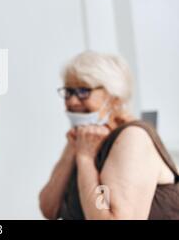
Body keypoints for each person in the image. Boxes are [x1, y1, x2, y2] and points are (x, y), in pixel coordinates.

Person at [39, 51, 179, 220]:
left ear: (115, 98)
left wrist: (85, 158)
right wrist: (73, 149)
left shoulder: (133, 137)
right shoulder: (84, 138)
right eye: (68, 92)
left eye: (83, 91)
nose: (72, 101)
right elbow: (49, 209)